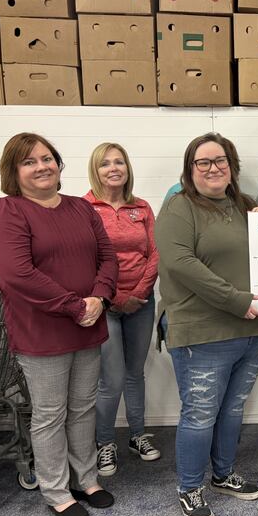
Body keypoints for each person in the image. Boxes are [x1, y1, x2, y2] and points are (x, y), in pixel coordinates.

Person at [0, 133, 118, 516]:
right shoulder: (6, 211)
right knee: (50, 414)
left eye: (47, 158)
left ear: (59, 164)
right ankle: (57, 491)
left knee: (82, 409)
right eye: (29, 162)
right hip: (43, 331)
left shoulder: (81, 207)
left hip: (87, 323)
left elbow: (107, 257)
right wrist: (74, 306)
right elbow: (17, 274)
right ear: (14, 171)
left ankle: (86, 480)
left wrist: (99, 298)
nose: (41, 166)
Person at [156, 133, 258, 516]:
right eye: (203, 162)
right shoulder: (179, 207)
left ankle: (223, 474)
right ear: (190, 169)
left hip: (252, 327)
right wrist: (235, 300)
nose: (213, 168)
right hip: (203, 330)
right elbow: (180, 264)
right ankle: (189, 488)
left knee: (231, 409)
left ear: (232, 165)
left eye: (220, 160)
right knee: (200, 414)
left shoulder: (244, 206)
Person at [84, 143, 160, 477]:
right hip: (103, 306)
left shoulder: (141, 207)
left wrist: (139, 292)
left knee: (135, 372)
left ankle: (138, 435)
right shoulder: (83, 208)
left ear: (127, 168)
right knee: (110, 378)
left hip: (141, 303)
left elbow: (155, 253)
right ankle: (105, 443)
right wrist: (112, 299)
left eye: (119, 162)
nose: (113, 168)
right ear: (95, 170)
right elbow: (83, 261)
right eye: (105, 164)